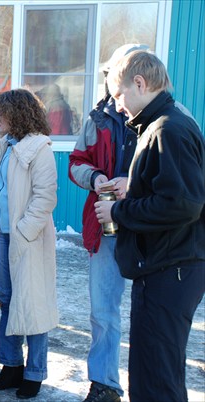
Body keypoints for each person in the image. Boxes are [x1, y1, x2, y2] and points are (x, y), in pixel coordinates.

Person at [95, 50, 205, 401]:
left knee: (158, 380)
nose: (116, 105)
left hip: (170, 269)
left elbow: (183, 203)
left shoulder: (168, 129)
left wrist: (119, 214)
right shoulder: (162, 125)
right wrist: (136, 186)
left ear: (139, 84)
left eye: (118, 94)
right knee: (149, 373)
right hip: (164, 266)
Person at [68, 44, 147, 402]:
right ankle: (104, 384)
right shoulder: (96, 118)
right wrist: (96, 177)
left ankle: (151, 385)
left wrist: (136, 185)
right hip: (107, 227)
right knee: (103, 311)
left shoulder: (170, 118)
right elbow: (75, 162)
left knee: (152, 315)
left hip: (151, 228)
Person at [0, 89, 58, 399]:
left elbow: (45, 196)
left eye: (3, 112)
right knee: (8, 300)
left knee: (32, 304)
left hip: (27, 239)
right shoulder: (6, 145)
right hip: (1, 235)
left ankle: (34, 373)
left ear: (19, 115)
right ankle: (11, 367)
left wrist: (23, 232)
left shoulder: (40, 149)